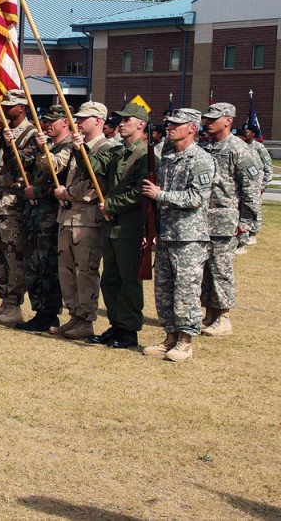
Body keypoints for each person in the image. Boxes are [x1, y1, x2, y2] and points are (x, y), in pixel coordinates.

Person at [141, 108, 215, 362]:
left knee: (186, 291)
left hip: (189, 237)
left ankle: (185, 341)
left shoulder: (201, 159)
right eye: (169, 124)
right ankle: (170, 337)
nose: (170, 128)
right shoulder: (168, 157)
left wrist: (160, 195)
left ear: (192, 128)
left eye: (176, 124)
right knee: (164, 290)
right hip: (167, 235)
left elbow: (197, 198)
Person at [85, 98, 151, 349]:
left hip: (130, 227)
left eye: (126, 120)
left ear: (141, 124)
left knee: (129, 281)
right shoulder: (116, 151)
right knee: (110, 280)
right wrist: (82, 149)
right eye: (120, 120)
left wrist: (112, 205)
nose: (121, 124)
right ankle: (116, 324)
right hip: (112, 227)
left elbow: (141, 191)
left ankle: (129, 329)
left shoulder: (145, 155)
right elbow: (93, 167)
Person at [49, 101, 111, 340]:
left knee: (85, 271)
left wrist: (68, 193)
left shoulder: (105, 148)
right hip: (69, 217)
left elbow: (97, 184)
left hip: (87, 220)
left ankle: (86, 320)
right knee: (66, 271)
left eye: (84, 118)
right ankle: (74, 315)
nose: (79, 121)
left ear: (98, 121)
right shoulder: (79, 146)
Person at [197, 103, 260, 337]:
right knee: (205, 271)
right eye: (207, 119)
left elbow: (251, 188)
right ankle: (210, 314)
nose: (208, 123)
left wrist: (246, 222)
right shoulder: (206, 147)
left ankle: (224, 317)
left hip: (226, 221)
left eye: (213, 119)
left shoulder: (239, 149)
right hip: (203, 219)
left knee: (221, 270)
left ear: (228, 121)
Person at [0, 89, 35, 325]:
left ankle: (14, 305)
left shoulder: (31, 134)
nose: (3, 109)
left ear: (22, 107)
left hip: (14, 204)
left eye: (8, 106)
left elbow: (24, 169)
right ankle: (4, 301)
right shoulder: (0, 130)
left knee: (14, 257)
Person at [20, 105, 72, 331]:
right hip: (36, 215)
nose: (46, 125)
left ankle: (49, 313)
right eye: (45, 121)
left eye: (52, 121)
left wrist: (38, 192)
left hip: (51, 216)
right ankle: (39, 311)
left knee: (48, 266)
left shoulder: (69, 147)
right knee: (34, 265)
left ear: (65, 122)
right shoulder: (48, 146)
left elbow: (57, 174)